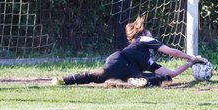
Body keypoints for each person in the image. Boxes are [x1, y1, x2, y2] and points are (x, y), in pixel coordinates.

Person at [52, 16, 210, 87]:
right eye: (149, 31)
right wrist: (193, 56)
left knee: (162, 78)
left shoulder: (148, 61)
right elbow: (172, 52)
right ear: (143, 33)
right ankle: (64, 80)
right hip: (120, 61)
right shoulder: (144, 39)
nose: (151, 34)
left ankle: (132, 81)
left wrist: (190, 63)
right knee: (96, 76)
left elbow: (172, 74)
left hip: (131, 70)